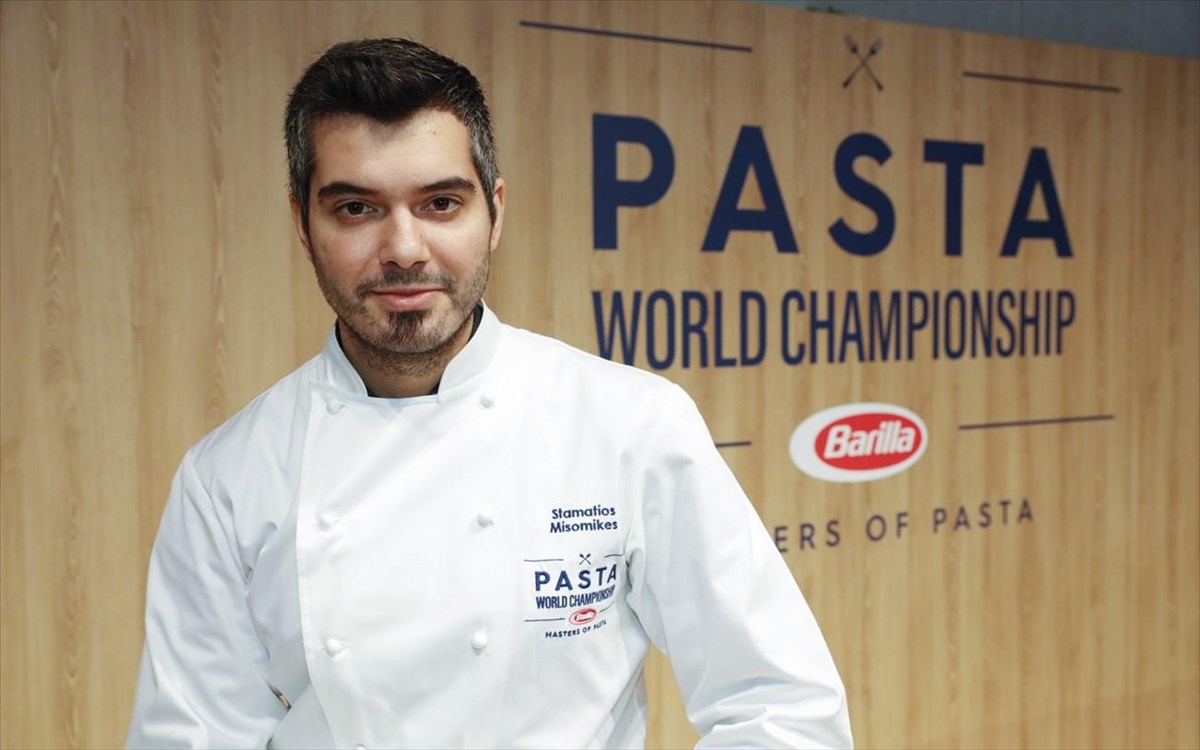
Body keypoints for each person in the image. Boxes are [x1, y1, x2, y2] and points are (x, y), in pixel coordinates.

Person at [126, 38, 853, 749]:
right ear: (302, 225)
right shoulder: (226, 481)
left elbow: (782, 708)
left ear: (494, 212)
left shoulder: (630, 425)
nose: (404, 249)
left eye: (441, 203)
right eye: (356, 209)